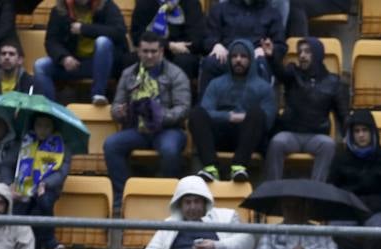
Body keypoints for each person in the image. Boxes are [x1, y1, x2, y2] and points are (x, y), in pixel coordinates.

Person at [104, 33, 191, 208]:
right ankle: (123, 197)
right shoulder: (128, 74)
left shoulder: (176, 74)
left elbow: (183, 110)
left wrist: (157, 114)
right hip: (138, 130)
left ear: (161, 51)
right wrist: (121, 112)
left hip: (169, 129)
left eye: (154, 51)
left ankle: (169, 197)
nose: (149, 55)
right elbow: (115, 108)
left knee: (169, 149)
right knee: (111, 145)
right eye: (145, 51)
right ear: (138, 51)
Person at [263, 38, 349, 183]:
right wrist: (272, 57)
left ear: (317, 54)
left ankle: (317, 191)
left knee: (328, 145)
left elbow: (343, 114)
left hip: (316, 136)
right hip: (291, 133)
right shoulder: (292, 72)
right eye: (300, 52)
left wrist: (348, 134)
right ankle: (273, 188)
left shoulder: (333, 82)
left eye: (307, 52)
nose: (302, 56)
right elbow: (280, 72)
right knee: (277, 142)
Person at [190, 38, 275, 183]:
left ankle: (239, 167)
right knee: (196, 113)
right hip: (220, 134)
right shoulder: (216, 83)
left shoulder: (264, 87)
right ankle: (210, 168)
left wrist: (245, 117)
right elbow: (206, 110)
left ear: (251, 59)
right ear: (229, 59)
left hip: (249, 137)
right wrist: (228, 116)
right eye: (234, 56)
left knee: (257, 113)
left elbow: (268, 120)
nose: (238, 60)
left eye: (243, 56)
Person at [328, 109, 381, 249]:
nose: (361, 135)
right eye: (356, 131)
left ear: (373, 131)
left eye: (365, 130)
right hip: (348, 209)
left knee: (380, 231)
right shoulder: (341, 158)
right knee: (336, 229)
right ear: (351, 134)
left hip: (377, 211)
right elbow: (330, 187)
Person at [142, 174, 255, 249]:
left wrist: (216, 247)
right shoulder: (170, 224)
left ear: (205, 202)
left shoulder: (226, 216)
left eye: (197, 201)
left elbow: (247, 240)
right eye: (187, 202)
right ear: (180, 205)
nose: (193, 207)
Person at [34, 0, 128, 106]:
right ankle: (50, 111)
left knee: (103, 41)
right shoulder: (59, 10)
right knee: (40, 65)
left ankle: (98, 95)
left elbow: (119, 32)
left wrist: (84, 29)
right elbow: (51, 41)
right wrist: (64, 57)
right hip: (75, 63)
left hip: (105, 64)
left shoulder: (106, 5)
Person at [12, 113, 72, 249]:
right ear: (33, 126)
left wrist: (45, 183)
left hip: (47, 189)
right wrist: (10, 183)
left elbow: (62, 173)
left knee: (42, 204)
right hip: (22, 187)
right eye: (39, 125)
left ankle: (46, 243)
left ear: (53, 128)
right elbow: (8, 165)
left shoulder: (62, 147)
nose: (42, 130)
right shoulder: (23, 142)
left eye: (47, 126)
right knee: (22, 211)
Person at [199, 0, 285, 81]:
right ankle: (208, 97)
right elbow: (207, 38)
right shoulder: (220, 9)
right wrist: (215, 45)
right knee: (210, 63)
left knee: (262, 64)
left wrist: (266, 50)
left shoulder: (272, 13)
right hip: (226, 56)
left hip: (256, 58)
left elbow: (280, 45)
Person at [252, 198, 346, 249]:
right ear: (282, 208)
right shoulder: (271, 233)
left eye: (297, 206)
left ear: (306, 207)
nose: (292, 211)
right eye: (287, 207)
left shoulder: (320, 233)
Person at [129, 0, 204, 87]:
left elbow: (196, 38)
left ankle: (179, 98)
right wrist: (168, 45)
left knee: (185, 61)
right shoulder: (145, 3)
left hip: (181, 51)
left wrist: (177, 47)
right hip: (153, 47)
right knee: (132, 59)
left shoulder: (191, 3)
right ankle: (139, 97)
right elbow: (137, 36)